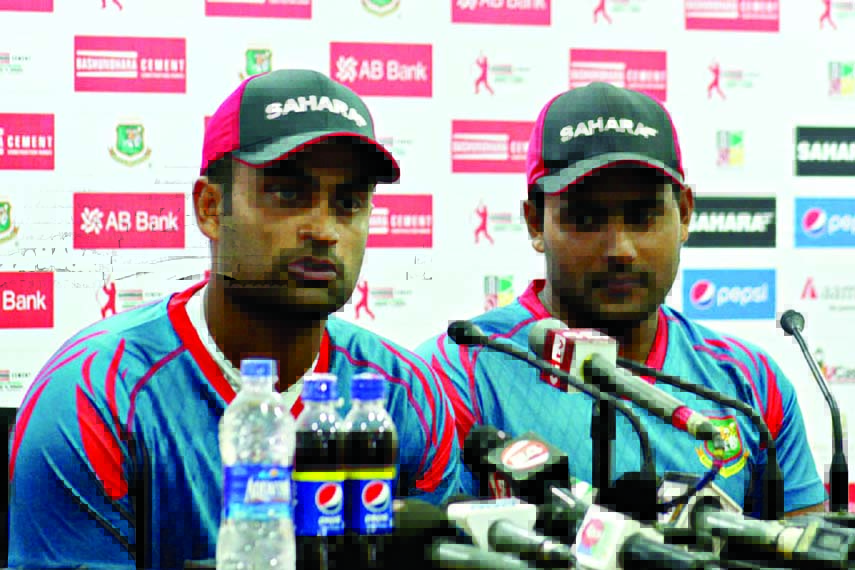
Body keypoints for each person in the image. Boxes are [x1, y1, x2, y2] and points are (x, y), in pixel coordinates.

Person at [9, 69, 462, 569]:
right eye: (288, 195)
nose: (324, 230)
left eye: (349, 203)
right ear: (209, 207)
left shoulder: (401, 394)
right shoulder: (96, 394)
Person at [416, 82, 826, 518]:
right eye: (587, 218)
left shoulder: (750, 384)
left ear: (684, 215)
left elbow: (806, 545)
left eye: (643, 215)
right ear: (536, 222)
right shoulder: (456, 374)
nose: (621, 249)